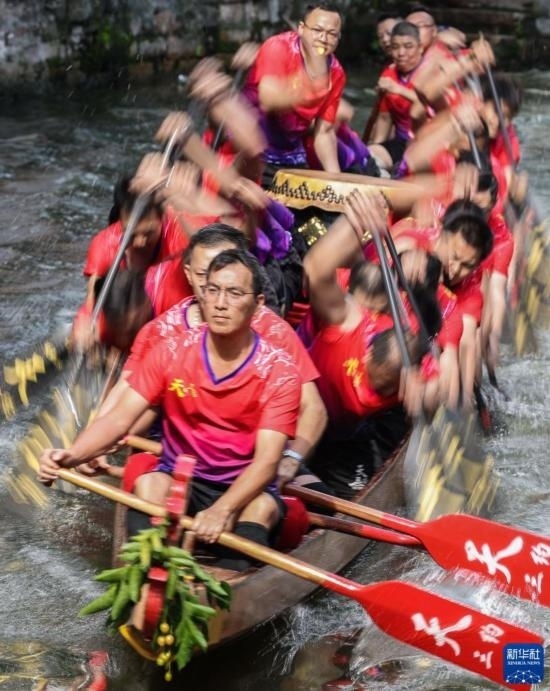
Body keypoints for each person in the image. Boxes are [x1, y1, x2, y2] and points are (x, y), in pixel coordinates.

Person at [38, 250, 302, 571]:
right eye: (213, 290)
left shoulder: (279, 371)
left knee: (260, 509)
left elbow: (268, 462)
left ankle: (229, 579)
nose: (220, 303)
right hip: (180, 478)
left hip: (246, 488)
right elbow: (119, 418)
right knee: (148, 484)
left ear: (258, 304)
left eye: (234, 293)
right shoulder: (171, 350)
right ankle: (148, 571)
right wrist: (72, 455)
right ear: (201, 295)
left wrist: (222, 509)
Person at [91, 224, 327, 493]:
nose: (218, 292)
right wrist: (95, 444)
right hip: (172, 457)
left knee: (315, 501)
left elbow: (314, 408)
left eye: (229, 273)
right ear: (189, 274)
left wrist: (292, 458)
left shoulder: (274, 330)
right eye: (207, 276)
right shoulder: (161, 331)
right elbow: (123, 395)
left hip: (256, 459)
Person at [302, 190, 440, 497]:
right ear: (366, 356)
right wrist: (355, 221)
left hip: (352, 433)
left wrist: (424, 398)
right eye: (376, 380)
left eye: (385, 388)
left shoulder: (411, 352)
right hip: (305, 411)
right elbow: (315, 268)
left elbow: (438, 389)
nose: (377, 389)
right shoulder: (350, 323)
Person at [240, 2, 346, 186]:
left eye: (331, 34)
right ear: (302, 29)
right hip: (250, 147)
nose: (323, 39)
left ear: (338, 38)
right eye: (317, 30)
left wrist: (337, 182)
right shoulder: (278, 47)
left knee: (318, 201)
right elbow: (268, 100)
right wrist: (308, 87)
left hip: (290, 153)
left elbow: (324, 132)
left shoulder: (336, 73)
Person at [367, 21, 426, 174]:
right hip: (402, 142)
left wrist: (398, 89)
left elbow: (432, 105)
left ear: (420, 47)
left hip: (430, 143)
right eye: (395, 47)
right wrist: (376, 146)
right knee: (371, 159)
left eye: (408, 46)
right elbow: (384, 118)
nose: (401, 53)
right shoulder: (389, 74)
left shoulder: (431, 70)